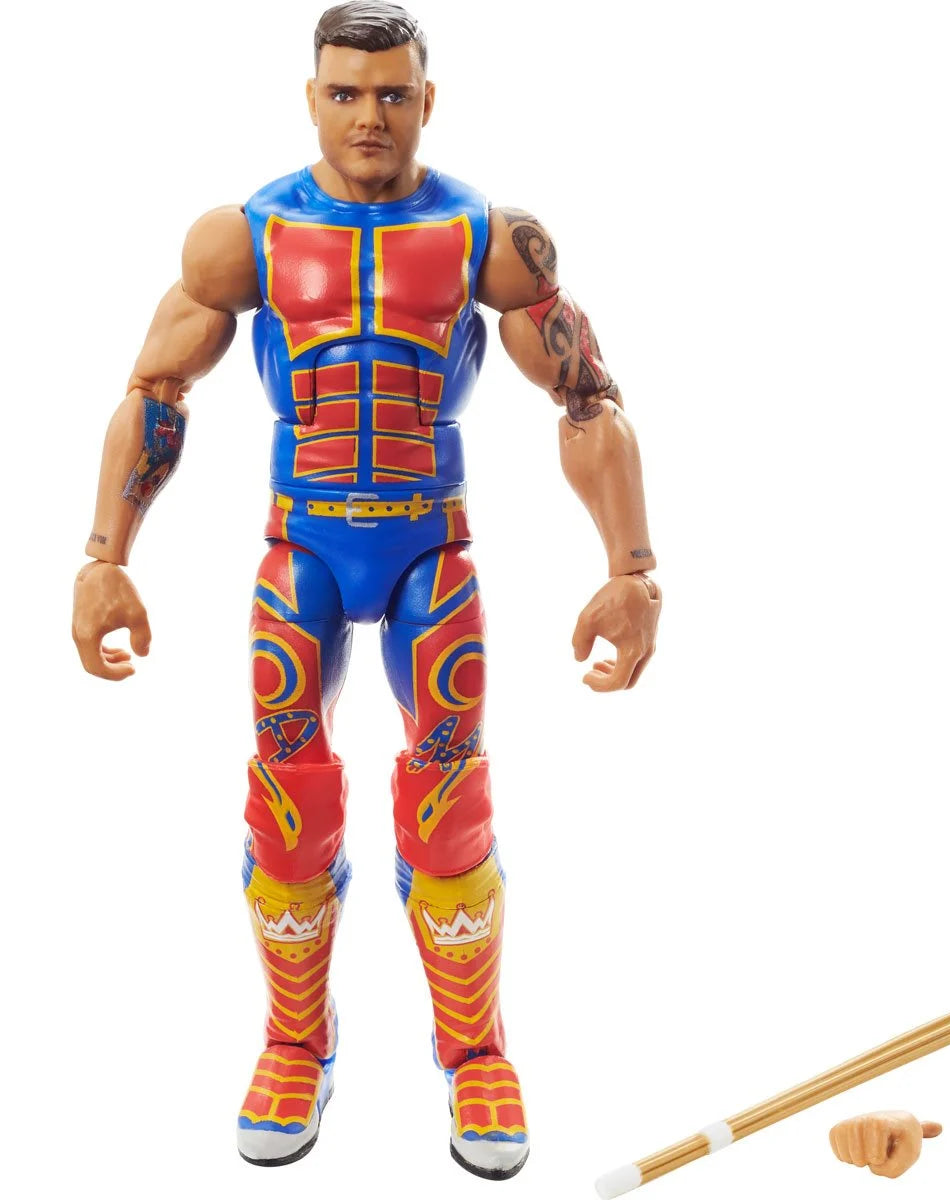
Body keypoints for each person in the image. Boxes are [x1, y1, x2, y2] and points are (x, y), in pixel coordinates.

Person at [71, 1, 660, 1180]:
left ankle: (475, 1051)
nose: (370, 115)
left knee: (450, 797)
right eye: (345, 92)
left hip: (430, 550)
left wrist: (631, 569)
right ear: (311, 99)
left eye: (393, 92)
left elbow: (586, 398)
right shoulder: (244, 239)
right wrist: (105, 556)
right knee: (285, 792)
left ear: (427, 100)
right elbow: (156, 391)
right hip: (303, 550)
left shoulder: (491, 238)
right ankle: (297, 1042)